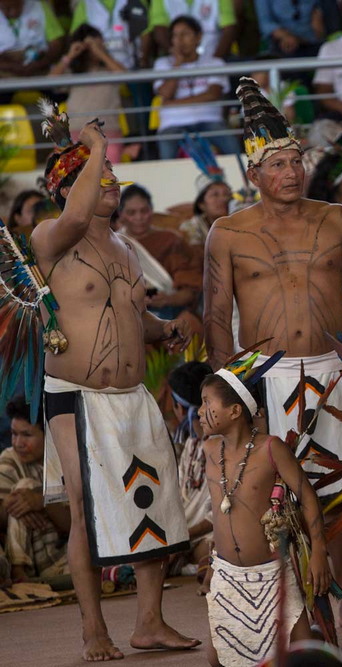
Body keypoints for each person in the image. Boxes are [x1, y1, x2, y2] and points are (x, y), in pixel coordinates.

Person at [204, 77, 342, 629]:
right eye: (277, 164)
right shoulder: (227, 233)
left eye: (296, 161)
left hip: (331, 370)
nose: (291, 172)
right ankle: (290, 605)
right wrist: (228, 394)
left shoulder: (335, 219)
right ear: (253, 174)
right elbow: (214, 318)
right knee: (276, 497)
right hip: (264, 378)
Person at [30, 108, 195, 661]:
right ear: (71, 187)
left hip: (132, 397)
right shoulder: (51, 238)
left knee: (155, 505)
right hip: (77, 398)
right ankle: (93, 629)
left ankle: (150, 622)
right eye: (102, 179)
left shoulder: (125, 248)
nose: (113, 185)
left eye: (112, 178)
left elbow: (131, 318)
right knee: (85, 510)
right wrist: (95, 146)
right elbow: (75, 220)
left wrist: (163, 329)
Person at [199, 353, 332, 667]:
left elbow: (308, 498)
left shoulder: (270, 448)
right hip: (228, 574)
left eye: (207, 403)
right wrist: (211, 566)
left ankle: (311, 634)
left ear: (234, 411)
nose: (201, 411)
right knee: (216, 659)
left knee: (300, 654)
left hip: (272, 573)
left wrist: (318, 552)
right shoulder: (208, 449)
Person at [0, 396, 69, 582]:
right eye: (14, 434)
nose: (18, 443)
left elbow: (71, 526)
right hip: (27, 557)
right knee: (23, 488)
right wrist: (20, 503)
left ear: (49, 435)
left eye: (26, 435)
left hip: (61, 555)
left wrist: (42, 502)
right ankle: (18, 570)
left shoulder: (66, 463)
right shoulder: (9, 459)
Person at [153, 16, 238, 159]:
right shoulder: (163, 64)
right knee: (166, 159)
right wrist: (177, 65)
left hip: (209, 120)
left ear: (198, 37)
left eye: (185, 34)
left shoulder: (213, 62)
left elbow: (213, 94)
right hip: (173, 123)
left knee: (234, 152)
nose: (179, 40)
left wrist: (173, 104)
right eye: (175, 35)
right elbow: (165, 94)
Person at [118, 184, 201, 321]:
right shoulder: (114, 243)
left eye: (144, 211)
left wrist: (168, 299)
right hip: (127, 316)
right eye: (131, 213)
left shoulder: (172, 241)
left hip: (171, 312)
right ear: (121, 215)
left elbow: (191, 290)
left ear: (152, 211)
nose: (139, 217)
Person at [49, 24, 128, 164]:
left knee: (110, 166)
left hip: (107, 132)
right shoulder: (73, 74)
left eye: (99, 43)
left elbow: (125, 76)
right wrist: (70, 55)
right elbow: (49, 82)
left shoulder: (110, 70)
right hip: (75, 133)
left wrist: (100, 53)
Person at [167, 361, 214, 590]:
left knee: (214, 543)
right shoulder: (190, 445)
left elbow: (217, 514)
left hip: (205, 532)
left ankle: (208, 564)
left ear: (181, 408)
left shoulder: (219, 447)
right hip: (186, 532)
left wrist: (181, 538)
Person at [149, 0, 237, 60]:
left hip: (213, 55)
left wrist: (215, 61)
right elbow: (159, 30)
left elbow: (229, 30)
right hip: (178, 61)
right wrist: (175, 56)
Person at [0, 0, 65, 77]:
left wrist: (40, 63)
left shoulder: (39, 7)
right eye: (6, 8)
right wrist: (10, 66)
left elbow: (56, 43)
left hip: (37, 64)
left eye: (16, 7)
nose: (13, 12)